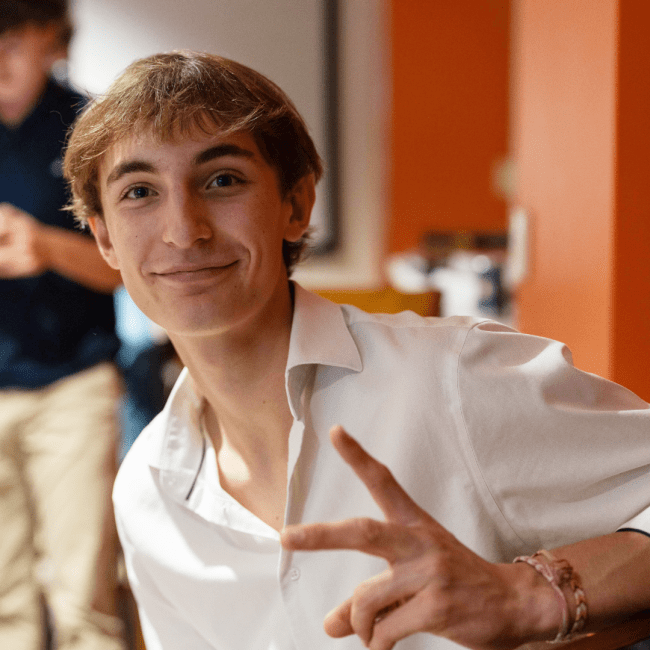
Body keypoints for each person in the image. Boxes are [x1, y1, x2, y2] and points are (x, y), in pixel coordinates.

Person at [63, 50, 650, 650]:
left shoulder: (445, 378)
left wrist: (533, 596)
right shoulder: (148, 492)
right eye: (139, 191)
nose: (183, 230)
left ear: (296, 205)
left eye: (222, 181)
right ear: (104, 235)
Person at [0, 2, 125, 649]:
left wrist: (45, 246)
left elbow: (127, 266)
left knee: (82, 601)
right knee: (3, 609)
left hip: (70, 386)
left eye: (11, 41)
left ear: (49, 38)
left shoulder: (91, 128)